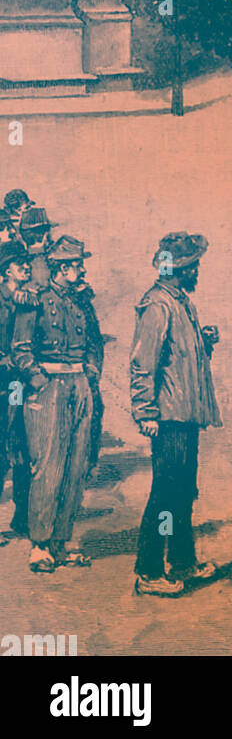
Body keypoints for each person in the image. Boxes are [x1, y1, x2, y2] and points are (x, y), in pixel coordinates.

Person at [130, 232, 222, 597]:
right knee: (165, 494)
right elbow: (142, 362)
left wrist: (204, 342)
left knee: (184, 491)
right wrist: (145, 411)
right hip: (167, 417)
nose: (197, 270)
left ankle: (183, 561)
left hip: (186, 414)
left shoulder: (180, 302)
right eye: (192, 265)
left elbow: (181, 357)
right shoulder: (157, 306)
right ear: (180, 269)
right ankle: (149, 570)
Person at [12, 235, 101, 573]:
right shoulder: (34, 300)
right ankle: (39, 545)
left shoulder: (81, 301)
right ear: (63, 268)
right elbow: (21, 348)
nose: (82, 269)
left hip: (79, 385)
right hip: (48, 389)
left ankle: (61, 542)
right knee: (48, 467)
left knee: (76, 467)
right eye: (77, 264)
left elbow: (94, 342)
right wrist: (39, 382)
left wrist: (90, 372)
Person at [0, 240, 32, 543]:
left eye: (27, 261)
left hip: (20, 385)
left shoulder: (26, 299)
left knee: (23, 449)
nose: (26, 266)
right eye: (19, 262)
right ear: (6, 269)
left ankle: (23, 518)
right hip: (1, 385)